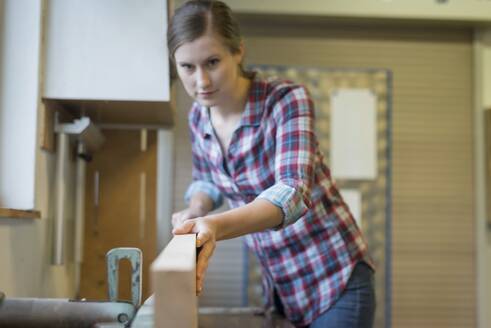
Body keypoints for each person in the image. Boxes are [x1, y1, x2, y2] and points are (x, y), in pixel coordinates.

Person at [168, 1, 375, 327]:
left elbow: (292, 193)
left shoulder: (286, 101)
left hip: (335, 275)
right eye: (187, 67)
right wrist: (197, 210)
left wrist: (215, 226)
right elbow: (207, 180)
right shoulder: (198, 117)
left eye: (212, 62)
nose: (202, 81)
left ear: (238, 52)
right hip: (283, 286)